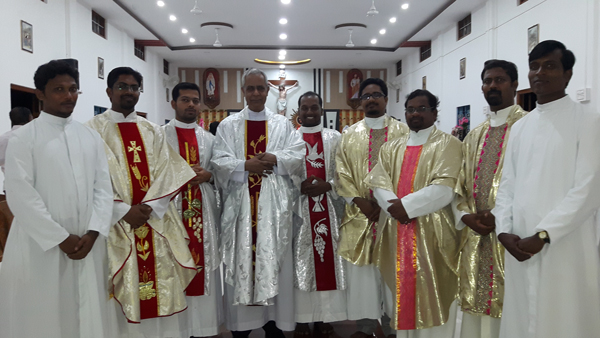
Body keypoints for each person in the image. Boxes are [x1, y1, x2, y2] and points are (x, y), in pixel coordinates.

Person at [0, 60, 116, 337]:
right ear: (40, 94)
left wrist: (94, 230)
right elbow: (21, 194)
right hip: (41, 244)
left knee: (88, 313)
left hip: (87, 243)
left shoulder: (89, 136)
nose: (68, 96)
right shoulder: (24, 138)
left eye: (74, 89)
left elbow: (103, 188)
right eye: (59, 89)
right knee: (44, 313)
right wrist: (60, 238)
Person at [492, 40, 600, 338]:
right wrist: (503, 230)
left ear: (568, 74)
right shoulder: (521, 127)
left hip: (564, 243)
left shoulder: (589, 122)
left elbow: (588, 189)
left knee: (564, 317)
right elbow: (507, 184)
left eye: (550, 66)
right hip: (519, 245)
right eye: (534, 66)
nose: (539, 73)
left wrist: (544, 234)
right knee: (522, 318)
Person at [86, 67, 197, 338]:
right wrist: (123, 211)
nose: (129, 92)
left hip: (154, 221)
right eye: (122, 87)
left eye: (134, 88)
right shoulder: (91, 131)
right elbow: (88, 179)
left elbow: (169, 172)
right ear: (109, 91)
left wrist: (147, 209)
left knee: (159, 286)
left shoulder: (153, 131)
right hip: (115, 226)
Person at [211, 68, 305, 338]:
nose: (255, 93)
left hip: (273, 208)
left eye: (260, 88)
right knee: (242, 258)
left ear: (268, 91)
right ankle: (241, 327)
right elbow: (218, 160)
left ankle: (273, 323)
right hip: (241, 207)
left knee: (274, 259)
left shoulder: (282, 124)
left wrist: (274, 158)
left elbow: (297, 152)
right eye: (250, 88)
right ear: (243, 91)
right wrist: (245, 165)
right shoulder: (228, 125)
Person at [366, 89, 462, 338]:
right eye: (410, 109)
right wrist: (395, 208)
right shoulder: (391, 148)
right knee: (400, 296)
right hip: (397, 231)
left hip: (433, 233)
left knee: (434, 292)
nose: (415, 114)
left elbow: (445, 187)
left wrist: (405, 207)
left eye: (422, 109)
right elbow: (378, 183)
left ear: (434, 113)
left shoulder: (449, 144)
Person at [453, 60, 527, 338]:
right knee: (474, 307)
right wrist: (465, 216)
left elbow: (534, 181)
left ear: (514, 84)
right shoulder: (474, 135)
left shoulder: (528, 125)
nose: (492, 86)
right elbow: (459, 184)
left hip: (513, 234)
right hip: (476, 236)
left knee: (513, 306)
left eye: (500, 80)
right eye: (487, 81)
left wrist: (503, 215)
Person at [335, 78, 409, 338]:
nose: (372, 99)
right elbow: (341, 173)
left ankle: (392, 326)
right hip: (360, 215)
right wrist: (360, 201)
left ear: (386, 99)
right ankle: (365, 326)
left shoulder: (403, 132)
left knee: (393, 273)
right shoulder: (349, 134)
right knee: (363, 277)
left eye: (377, 94)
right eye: (366, 96)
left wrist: (388, 205)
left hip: (394, 216)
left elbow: (410, 171)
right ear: (360, 102)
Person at [163, 82, 222, 337]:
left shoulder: (209, 139)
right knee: (174, 266)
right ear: (173, 103)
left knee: (205, 266)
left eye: (195, 101)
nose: (191, 105)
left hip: (204, 211)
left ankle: (203, 327)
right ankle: (176, 328)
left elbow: (222, 173)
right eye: (185, 100)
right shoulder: (159, 135)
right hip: (172, 212)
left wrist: (209, 175)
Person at [293, 91, 347, 338]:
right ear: (299, 111)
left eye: (314, 108)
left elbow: (346, 173)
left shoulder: (335, 138)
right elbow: (284, 174)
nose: (310, 112)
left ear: (322, 111)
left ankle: (325, 317)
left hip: (330, 210)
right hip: (300, 212)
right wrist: (298, 186)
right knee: (300, 263)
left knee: (328, 261)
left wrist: (330, 185)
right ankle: (302, 319)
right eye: (305, 108)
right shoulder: (290, 139)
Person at [0, 107, 33, 174]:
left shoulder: (3, 138)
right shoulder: (35, 137)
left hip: (10, 181)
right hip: (34, 181)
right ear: (30, 118)